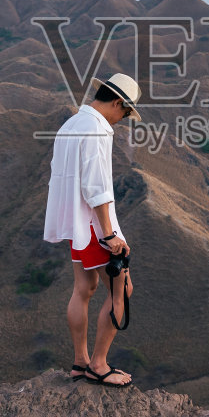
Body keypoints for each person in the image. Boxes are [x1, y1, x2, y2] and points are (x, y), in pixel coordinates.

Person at [43, 71, 141, 387]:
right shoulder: (98, 130)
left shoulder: (70, 125)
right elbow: (96, 186)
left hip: (73, 221)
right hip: (91, 222)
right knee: (122, 290)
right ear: (117, 103)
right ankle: (98, 365)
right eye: (124, 114)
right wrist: (109, 234)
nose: (120, 121)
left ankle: (80, 361)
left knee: (83, 289)